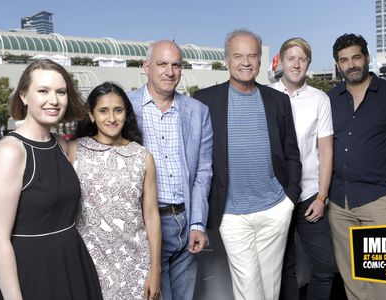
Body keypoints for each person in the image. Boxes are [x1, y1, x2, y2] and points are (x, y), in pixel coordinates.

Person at [193, 29, 301, 300]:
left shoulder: (278, 100)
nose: (245, 62)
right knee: (249, 289)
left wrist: (290, 198)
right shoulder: (205, 101)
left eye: (252, 55)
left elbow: (292, 153)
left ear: (260, 61)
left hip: (275, 208)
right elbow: (197, 159)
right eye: (238, 55)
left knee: (270, 286)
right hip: (232, 214)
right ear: (226, 60)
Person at [0, 59, 103, 300]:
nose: (54, 100)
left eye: (61, 92)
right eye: (43, 91)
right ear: (24, 96)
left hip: (72, 264)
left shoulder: (60, 144)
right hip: (31, 272)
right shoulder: (10, 150)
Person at [327, 34, 386, 300]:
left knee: (380, 283)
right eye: (344, 60)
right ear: (338, 65)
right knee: (351, 280)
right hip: (338, 203)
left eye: (356, 57)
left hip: (379, 200)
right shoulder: (330, 99)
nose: (351, 65)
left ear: (366, 57)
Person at [128, 40, 213, 300]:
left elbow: (203, 171)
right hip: (145, 224)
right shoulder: (126, 108)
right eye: (162, 64)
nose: (170, 71)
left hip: (185, 221)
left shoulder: (198, 112)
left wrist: (197, 223)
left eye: (176, 65)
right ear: (146, 67)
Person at [68, 82, 161, 299]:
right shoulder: (74, 150)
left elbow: (151, 215)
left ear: (126, 114)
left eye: (118, 110)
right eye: (103, 110)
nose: (112, 118)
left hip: (136, 264)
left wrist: (155, 270)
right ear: (91, 115)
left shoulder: (142, 157)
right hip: (88, 263)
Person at [269, 37, 336, 300]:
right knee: (285, 267)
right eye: (291, 58)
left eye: (302, 59)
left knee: (324, 266)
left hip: (310, 196)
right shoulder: (266, 94)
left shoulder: (320, 99)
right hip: (276, 197)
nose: (296, 64)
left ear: (308, 63)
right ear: (281, 61)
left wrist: (322, 197)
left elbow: (326, 151)